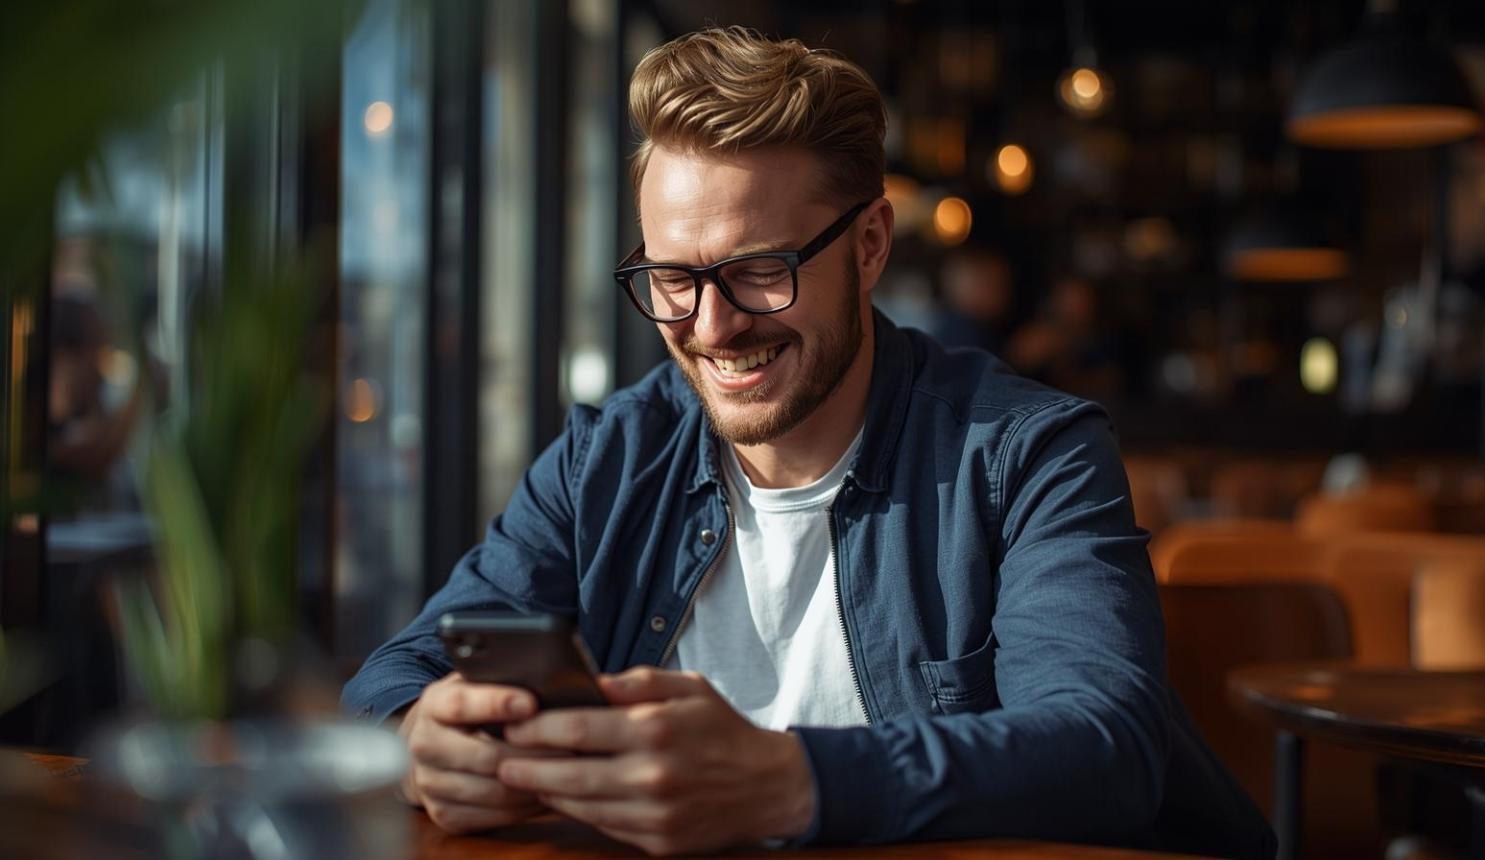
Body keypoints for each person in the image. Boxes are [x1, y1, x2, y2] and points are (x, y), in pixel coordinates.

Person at [344, 26, 1273, 858]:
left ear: (870, 246)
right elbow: (397, 673)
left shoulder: (1029, 454)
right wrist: (421, 737)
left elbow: (1104, 750)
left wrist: (789, 780)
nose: (710, 328)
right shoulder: (608, 456)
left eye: (758, 271)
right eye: (673, 277)